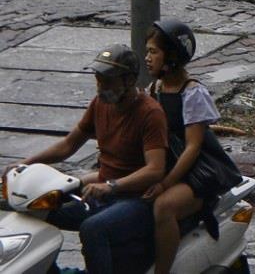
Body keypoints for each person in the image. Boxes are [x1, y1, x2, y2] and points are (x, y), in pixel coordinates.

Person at [13, 45, 167, 274]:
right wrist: (26, 164)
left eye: (108, 81)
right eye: (98, 79)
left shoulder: (150, 113)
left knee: (93, 229)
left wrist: (111, 185)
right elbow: (68, 145)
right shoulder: (100, 104)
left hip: (135, 199)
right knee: (37, 209)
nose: (100, 86)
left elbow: (155, 169)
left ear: (128, 80)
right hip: (101, 192)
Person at [143, 22, 241, 274]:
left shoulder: (192, 93)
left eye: (154, 52)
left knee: (163, 207)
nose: (147, 58)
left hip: (196, 174)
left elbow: (193, 148)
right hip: (167, 165)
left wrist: (165, 184)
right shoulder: (154, 89)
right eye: (147, 52)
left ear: (172, 57)